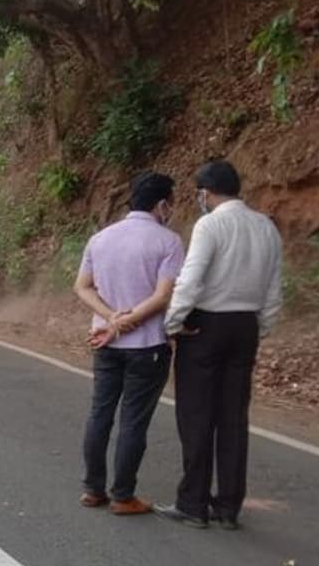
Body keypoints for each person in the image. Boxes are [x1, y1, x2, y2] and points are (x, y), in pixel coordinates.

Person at [156, 160, 283, 530]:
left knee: (196, 415)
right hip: (246, 326)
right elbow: (274, 287)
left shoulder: (210, 225)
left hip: (206, 326)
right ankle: (228, 506)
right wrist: (262, 326)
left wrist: (173, 323)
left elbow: (191, 279)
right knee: (233, 418)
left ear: (205, 193)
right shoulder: (266, 227)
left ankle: (192, 503)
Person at [73, 172, 184, 516]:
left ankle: (93, 489)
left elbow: (82, 286)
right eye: (171, 202)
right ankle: (123, 496)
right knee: (133, 421)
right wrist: (127, 321)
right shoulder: (168, 242)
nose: (172, 208)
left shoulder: (100, 239)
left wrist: (111, 318)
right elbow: (162, 296)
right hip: (147, 347)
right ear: (162, 204)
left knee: (100, 414)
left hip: (105, 342)